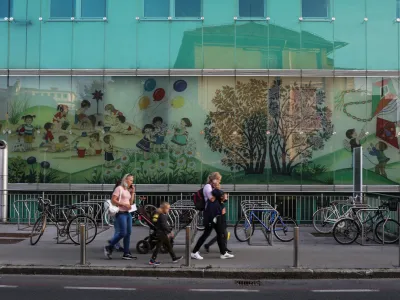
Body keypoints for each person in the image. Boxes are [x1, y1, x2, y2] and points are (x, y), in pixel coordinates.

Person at [191, 172, 234, 260]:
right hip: (210, 214)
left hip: (216, 214)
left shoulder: (213, 188)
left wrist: (221, 197)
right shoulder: (208, 187)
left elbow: (219, 199)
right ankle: (194, 252)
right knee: (206, 233)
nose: (219, 181)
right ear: (213, 179)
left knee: (220, 233)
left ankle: (223, 253)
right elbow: (212, 198)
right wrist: (221, 195)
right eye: (218, 179)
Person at [104, 174, 136, 260]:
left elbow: (131, 202)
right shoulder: (119, 188)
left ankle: (126, 253)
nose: (132, 182)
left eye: (132, 180)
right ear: (125, 180)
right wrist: (124, 204)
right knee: (123, 232)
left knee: (128, 233)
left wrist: (132, 192)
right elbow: (113, 200)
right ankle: (109, 246)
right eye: (131, 180)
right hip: (121, 213)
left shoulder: (126, 190)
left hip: (128, 213)